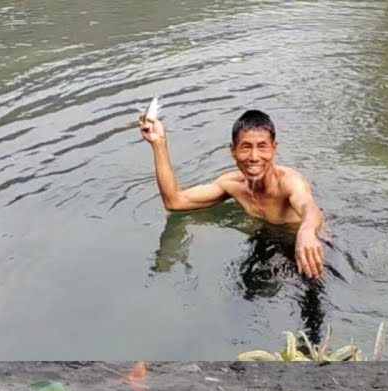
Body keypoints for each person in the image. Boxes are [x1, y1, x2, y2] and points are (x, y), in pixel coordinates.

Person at [140, 109, 327, 280]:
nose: (254, 157)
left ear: (274, 148)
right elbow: (175, 202)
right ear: (233, 151)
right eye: (246, 147)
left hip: (310, 248)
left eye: (262, 147)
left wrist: (307, 231)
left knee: (313, 308)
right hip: (265, 239)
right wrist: (159, 143)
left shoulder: (289, 182)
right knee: (247, 288)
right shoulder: (232, 185)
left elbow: (309, 207)